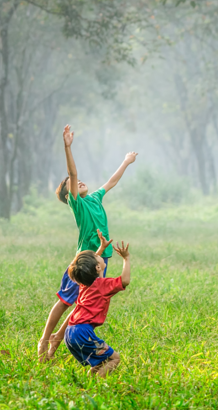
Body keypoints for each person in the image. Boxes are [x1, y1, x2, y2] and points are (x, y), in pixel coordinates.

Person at [37, 125, 137, 361]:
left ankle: (56, 342)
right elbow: (72, 174)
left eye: (79, 181)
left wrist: (125, 162)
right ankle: (45, 340)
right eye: (71, 184)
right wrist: (67, 147)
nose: (78, 181)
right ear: (68, 195)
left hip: (102, 258)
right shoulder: (78, 205)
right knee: (64, 301)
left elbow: (111, 182)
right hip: (84, 260)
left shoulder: (94, 198)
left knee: (85, 302)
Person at [65, 232, 131, 377]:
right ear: (97, 268)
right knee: (115, 358)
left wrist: (100, 248)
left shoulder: (84, 283)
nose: (100, 256)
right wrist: (126, 259)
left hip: (70, 332)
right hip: (83, 333)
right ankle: (96, 386)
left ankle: (88, 382)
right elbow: (125, 280)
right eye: (98, 257)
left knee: (100, 361)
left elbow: (88, 267)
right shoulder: (103, 285)